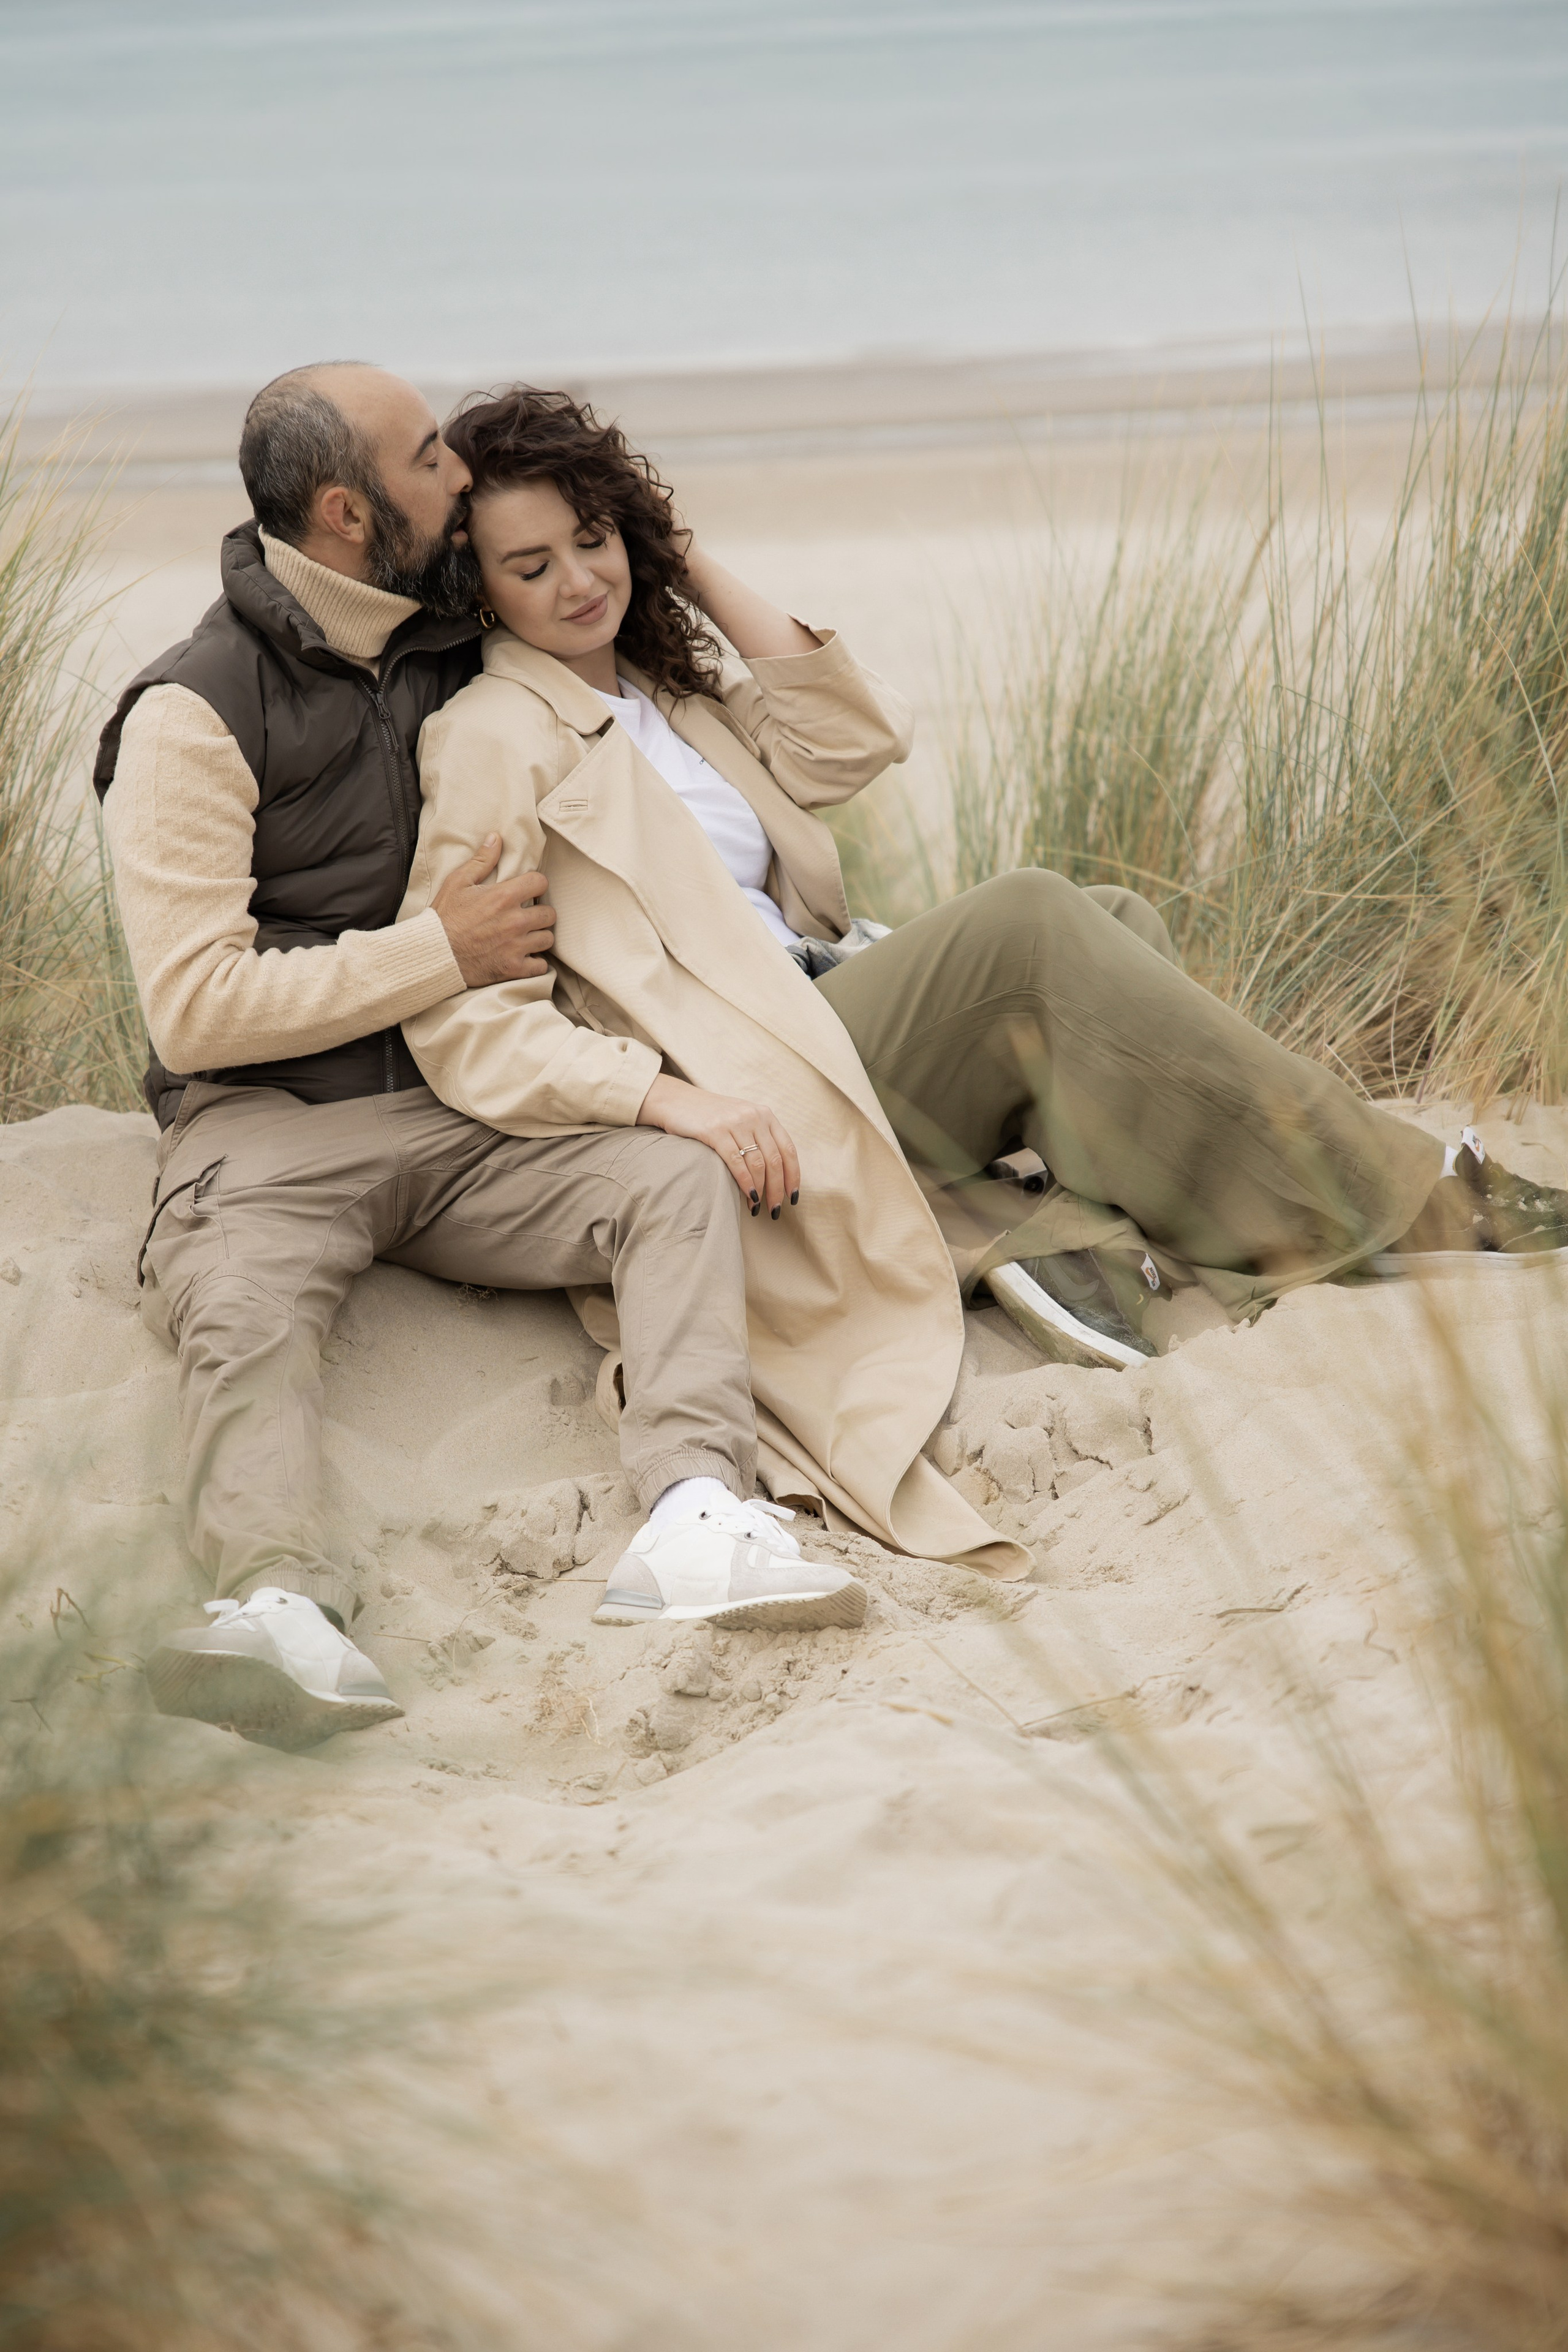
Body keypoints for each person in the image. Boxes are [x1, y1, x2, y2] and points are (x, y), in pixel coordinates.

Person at [399, 385, 1568, 1608]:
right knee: (1027, 927)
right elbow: (464, 1020)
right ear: (480, 589)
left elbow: (852, 741)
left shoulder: (660, 687)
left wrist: (676, 556)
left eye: (595, 539)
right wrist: (655, 1101)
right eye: (532, 566)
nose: (580, 581)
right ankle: (1407, 1199)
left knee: (1115, 928)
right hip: (750, 1077)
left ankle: (1084, 1236)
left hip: (817, 1006)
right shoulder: (492, 733)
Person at [96, 362, 867, 1759]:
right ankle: (274, 1604)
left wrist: (645, 530)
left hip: (469, 1110)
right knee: (245, 1301)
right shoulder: (191, 710)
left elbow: (728, 701)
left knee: (667, 1178)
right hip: (272, 1123)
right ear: (347, 511)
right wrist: (437, 955)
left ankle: (694, 1513)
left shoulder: (458, 631)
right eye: (429, 456)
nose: (456, 474)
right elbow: (194, 1009)